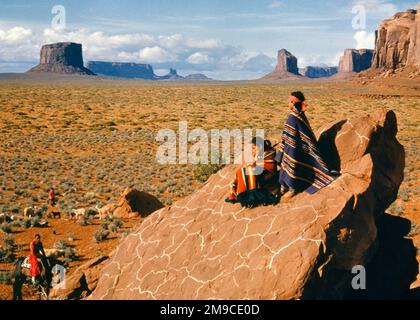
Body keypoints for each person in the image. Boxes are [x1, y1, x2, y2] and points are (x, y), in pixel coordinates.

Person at [275, 91, 338, 197]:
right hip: (295, 146)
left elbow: (296, 133)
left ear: (293, 103)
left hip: (293, 148)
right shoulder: (299, 115)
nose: (288, 103)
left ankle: (291, 188)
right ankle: (285, 186)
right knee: (288, 165)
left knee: (291, 164)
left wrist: (285, 144)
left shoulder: (293, 117)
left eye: (290, 101)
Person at [225, 137, 279, 207]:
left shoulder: (269, 153)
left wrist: (252, 165)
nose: (252, 150)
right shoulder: (260, 153)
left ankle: (252, 196)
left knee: (249, 169)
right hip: (261, 173)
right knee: (240, 172)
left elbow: (266, 166)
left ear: (260, 147)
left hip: (269, 175)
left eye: (254, 148)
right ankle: (237, 195)